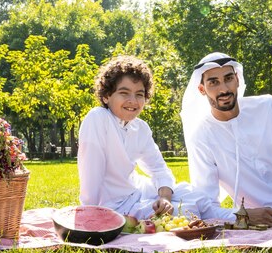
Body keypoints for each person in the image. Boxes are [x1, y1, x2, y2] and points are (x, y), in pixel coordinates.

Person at [78, 55, 201, 219]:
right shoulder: (98, 118)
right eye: (124, 93)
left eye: (139, 94)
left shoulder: (140, 127)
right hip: (113, 207)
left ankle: (239, 217)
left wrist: (164, 198)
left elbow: (159, 169)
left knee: (195, 195)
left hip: (137, 192)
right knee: (189, 212)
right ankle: (235, 219)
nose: (133, 101)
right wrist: (90, 217)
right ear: (106, 96)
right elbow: (91, 179)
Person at [181, 52, 272, 226]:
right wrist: (245, 216)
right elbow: (206, 206)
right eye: (213, 82)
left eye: (228, 78)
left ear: (238, 80)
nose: (223, 89)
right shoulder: (201, 136)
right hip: (265, 222)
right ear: (202, 89)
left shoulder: (270, 106)